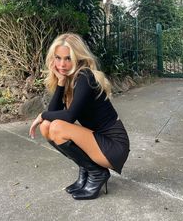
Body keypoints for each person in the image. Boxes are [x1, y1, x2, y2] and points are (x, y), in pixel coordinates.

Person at [29, 33, 130, 200]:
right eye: (58, 58)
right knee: (47, 126)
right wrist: (61, 82)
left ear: (78, 57)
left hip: (113, 145)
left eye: (68, 58)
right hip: (96, 141)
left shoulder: (84, 76)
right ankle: (87, 169)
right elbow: (53, 114)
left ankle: (96, 173)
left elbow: (68, 117)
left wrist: (41, 114)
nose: (62, 64)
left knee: (56, 127)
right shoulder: (69, 79)